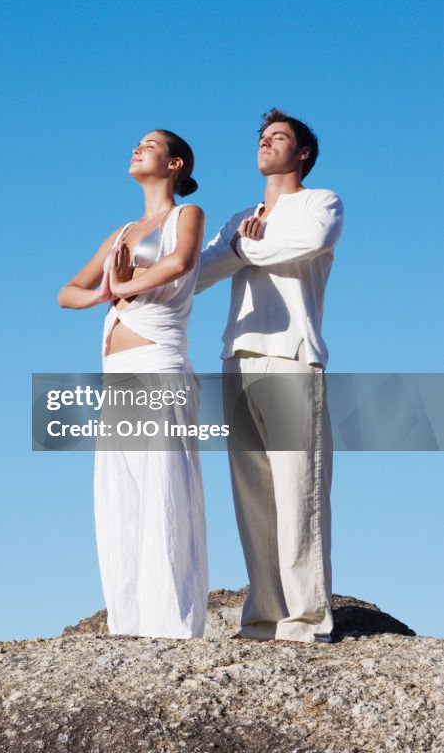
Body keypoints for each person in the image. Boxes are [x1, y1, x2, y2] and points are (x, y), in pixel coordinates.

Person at [196, 108, 343, 643]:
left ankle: (305, 620)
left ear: (302, 153)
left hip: (291, 355)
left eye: (277, 137)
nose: (265, 143)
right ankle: (262, 619)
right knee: (252, 494)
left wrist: (246, 249)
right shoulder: (240, 217)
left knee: (298, 488)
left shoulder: (320, 202)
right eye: (261, 136)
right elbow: (202, 271)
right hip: (236, 357)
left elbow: (307, 244)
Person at [58, 130, 208, 639]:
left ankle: (173, 625)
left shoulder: (185, 215)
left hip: (159, 362)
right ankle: (130, 624)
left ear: (175, 164)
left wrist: (123, 285)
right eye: (136, 143)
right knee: (120, 495)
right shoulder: (123, 230)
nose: (136, 148)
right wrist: (107, 290)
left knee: (166, 488)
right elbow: (66, 293)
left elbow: (180, 261)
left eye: (150, 144)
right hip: (117, 374)